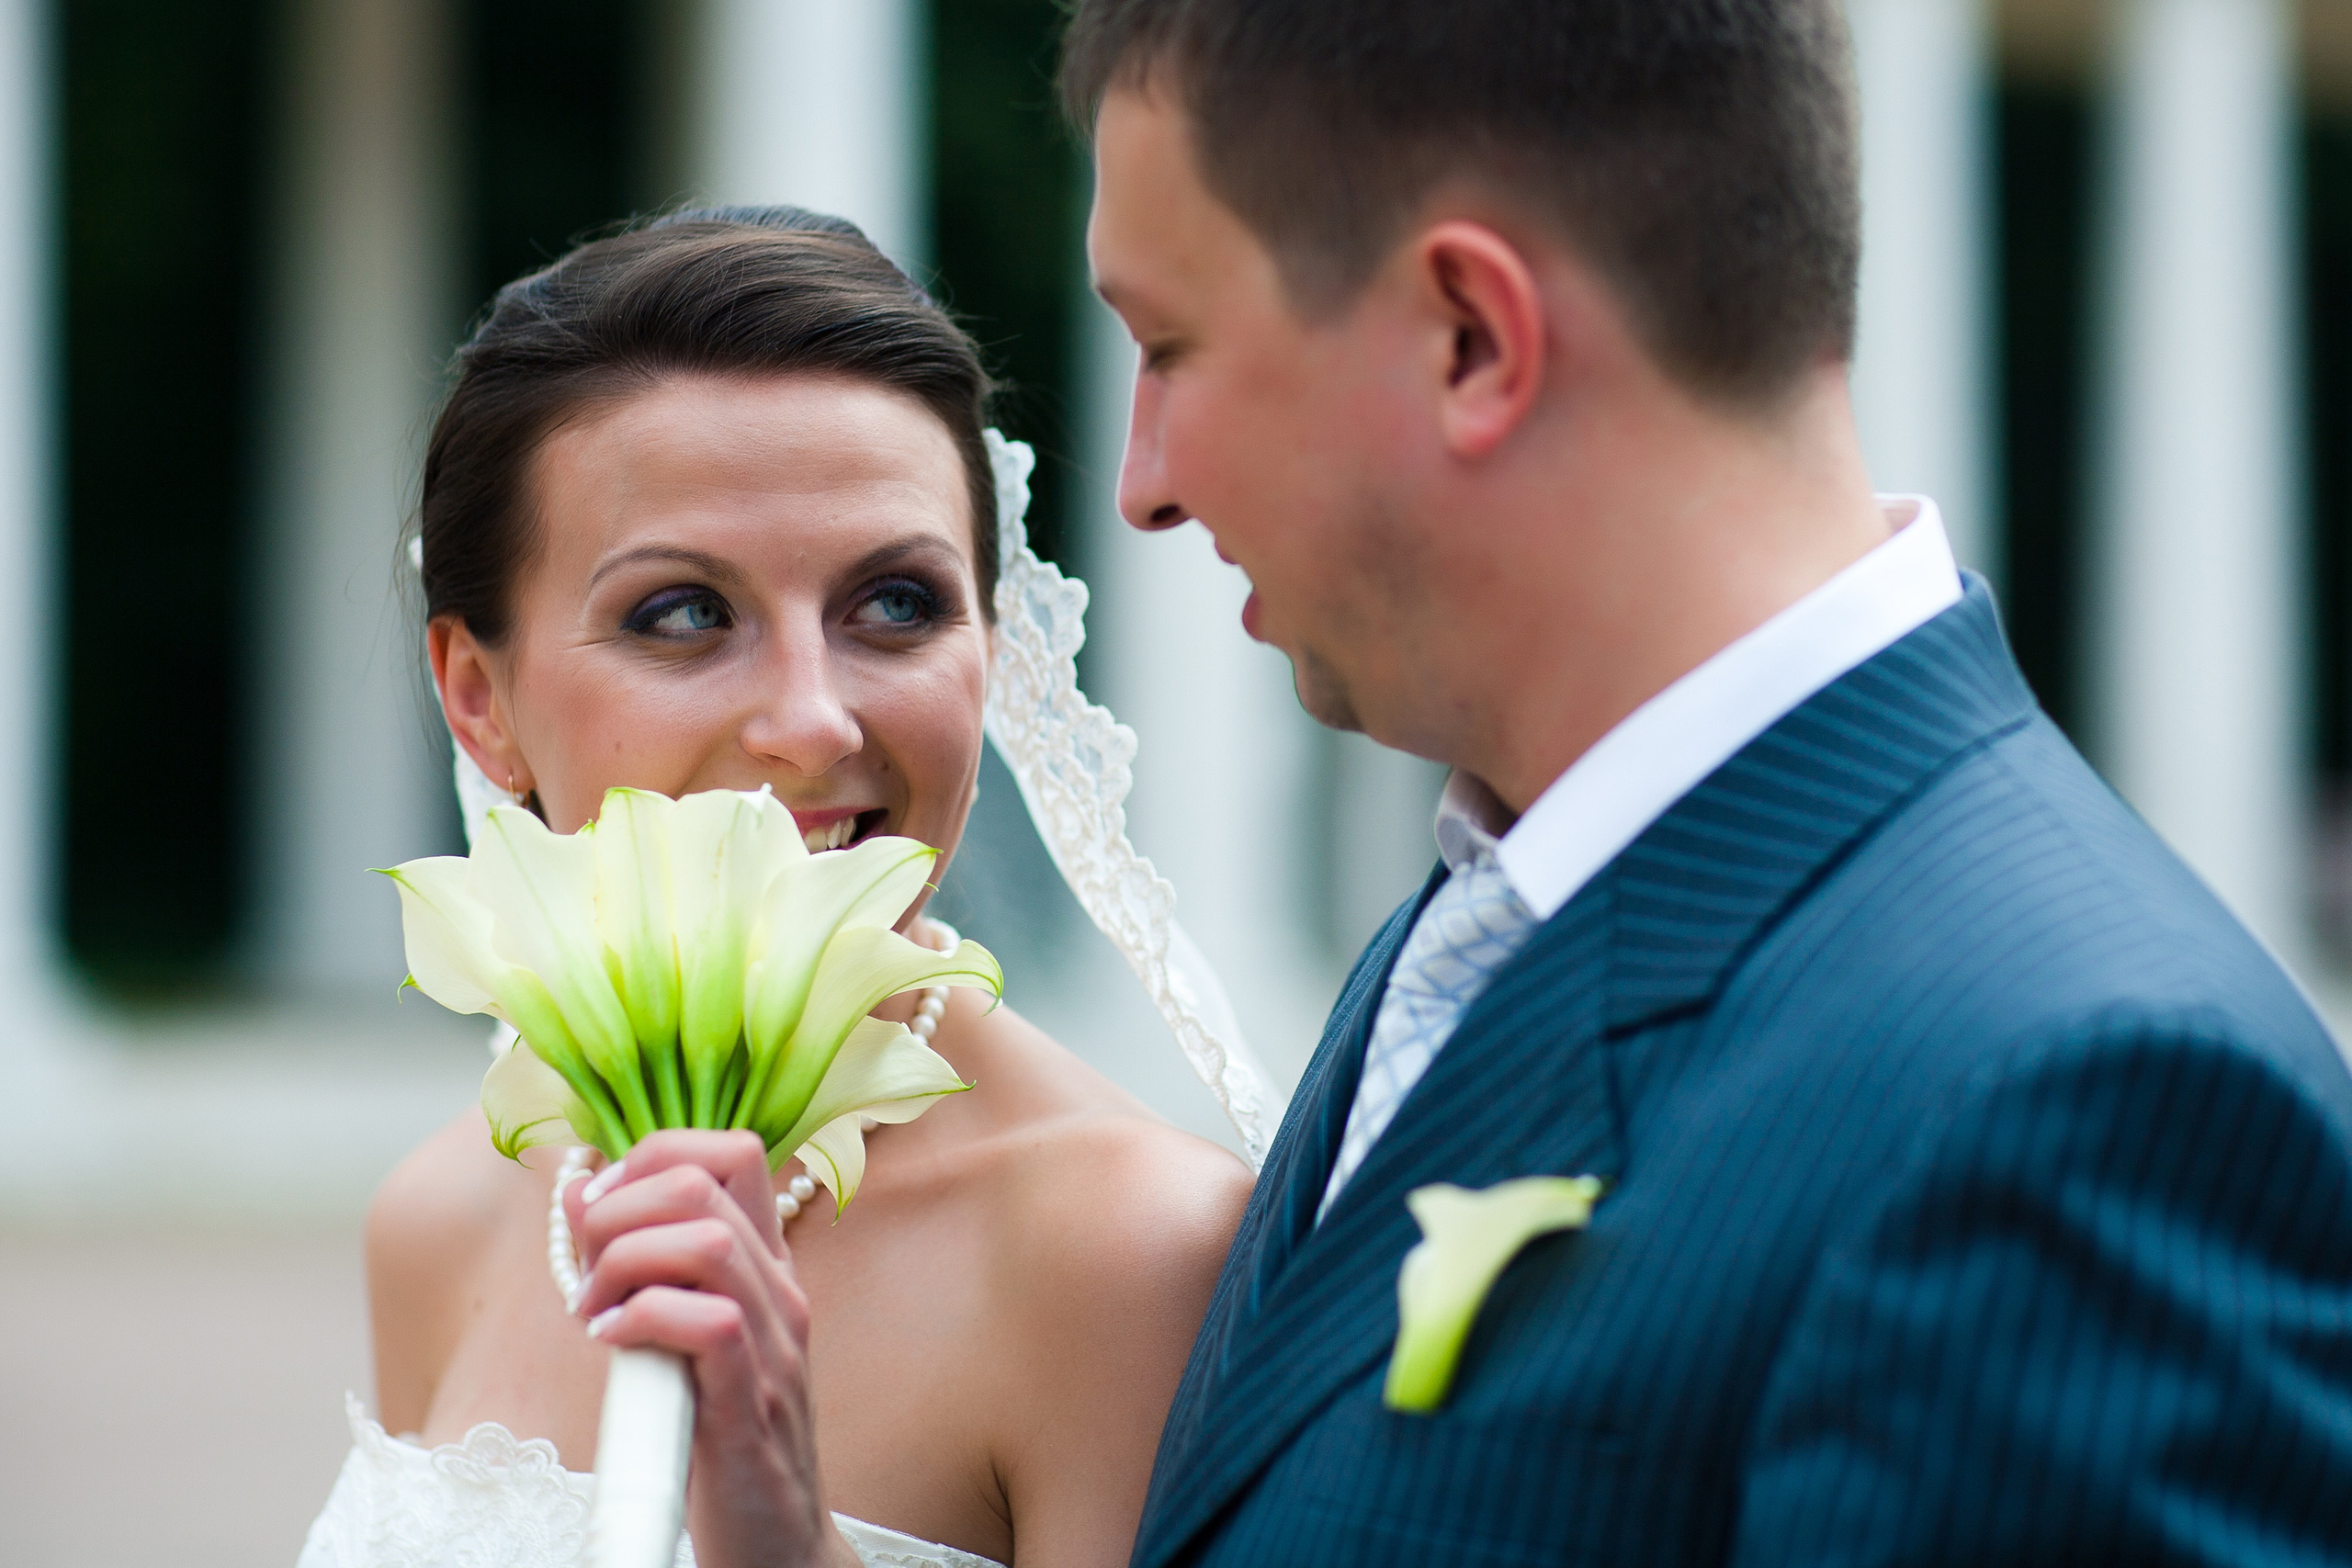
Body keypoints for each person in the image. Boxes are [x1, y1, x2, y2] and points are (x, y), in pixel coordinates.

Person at [1057, 2, 2352, 1565]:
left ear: (1472, 335)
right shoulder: (1478, 921)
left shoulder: (2078, 1108)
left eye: (1172, 346)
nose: (1143, 485)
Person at [298, 208, 1252, 1568]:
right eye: (683, 613)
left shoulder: (1126, 1252)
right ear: (478, 698)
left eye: (898, 605)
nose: (813, 720)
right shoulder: (443, 1220)